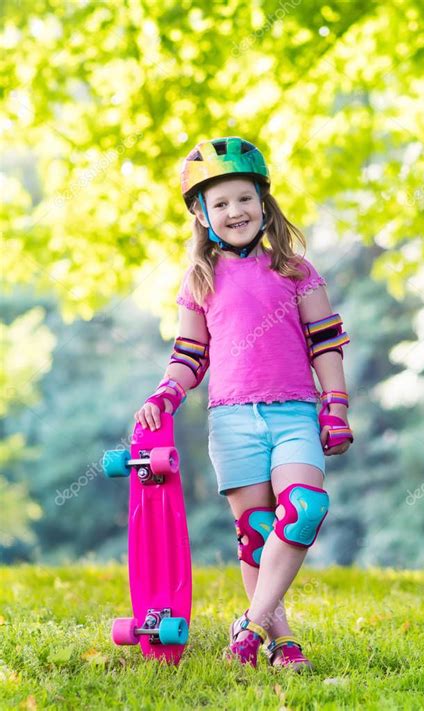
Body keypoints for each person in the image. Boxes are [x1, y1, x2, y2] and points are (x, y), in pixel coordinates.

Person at [134, 136, 353, 671]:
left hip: (295, 411)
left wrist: (337, 405)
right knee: (256, 534)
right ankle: (280, 641)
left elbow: (324, 342)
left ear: (264, 202)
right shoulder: (200, 279)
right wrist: (167, 392)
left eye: (244, 198)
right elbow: (189, 353)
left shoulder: (295, 270)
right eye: (221, 202)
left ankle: (250, 624)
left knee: (304, 509)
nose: (235, 211)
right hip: (231, 420)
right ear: (203, 215)